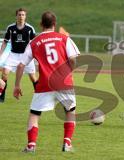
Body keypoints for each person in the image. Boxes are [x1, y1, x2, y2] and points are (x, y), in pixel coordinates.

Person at [13, 11, 80, 152]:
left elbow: (20, 65)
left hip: (45, 84)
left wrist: (17, 85)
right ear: (54, 24)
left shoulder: (34, 42)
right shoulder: (64, 39)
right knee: (70, 111)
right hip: (64, 82)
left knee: (35, 114)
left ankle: (31, 145)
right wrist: (69, 71)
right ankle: (67, 143)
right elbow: (74, 59)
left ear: (41, 24)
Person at [0, 8, 37, 102]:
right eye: (19, 15)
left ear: (25, 16)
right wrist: (0, 54)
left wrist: (36, 56)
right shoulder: (10, 28)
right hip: (13, 55)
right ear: (16, 16)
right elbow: (5, 42)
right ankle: (1, 96)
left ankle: (40, 97)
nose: (21, 16)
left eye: (23, 15)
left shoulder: (30, 29)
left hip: (26, 56)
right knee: (4, 73)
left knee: (33, 78)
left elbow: (35, 43)